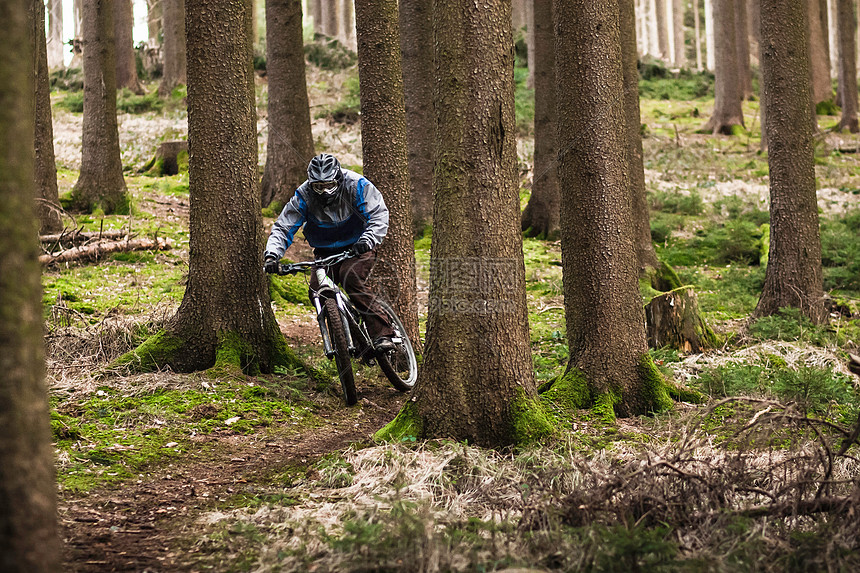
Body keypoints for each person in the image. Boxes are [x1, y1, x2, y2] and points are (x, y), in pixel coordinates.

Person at [264, 153, 396, 351]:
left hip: (358, 247)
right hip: (324, 252)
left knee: (351, 278)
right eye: (318, 186)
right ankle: (346, 341)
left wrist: (367, 240)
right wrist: (272, 254)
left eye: (329, 185)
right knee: (317, 291)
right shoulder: (304, 195)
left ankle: (383, 335)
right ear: (311, 183)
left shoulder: (356, 185)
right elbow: (284, 226)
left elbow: (378, 214)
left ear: (338, 179)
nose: (324, 191)